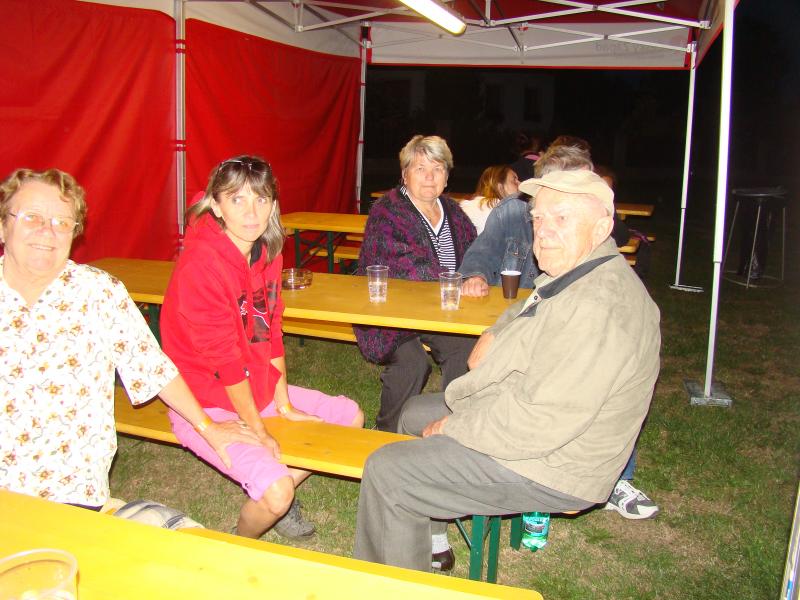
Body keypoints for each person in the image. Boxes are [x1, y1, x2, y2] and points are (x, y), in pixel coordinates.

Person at [353, 169, 661, 572]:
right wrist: (495, 332)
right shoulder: (580, 271)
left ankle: (396, 586)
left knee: (388, 470)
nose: (543, 231)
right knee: (413, 414)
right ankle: (428, 538)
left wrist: (457, 427)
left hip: (556, 463)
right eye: (538, 218)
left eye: (562, 218)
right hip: (529, 410)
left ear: (602, 227)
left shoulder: (599, 306)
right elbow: (523, 307)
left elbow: (542, 422)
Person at [0, 168, 258, 511]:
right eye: (32, 217)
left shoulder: (98, 293)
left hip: (73, 491)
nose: (48, 231)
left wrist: (209, 428)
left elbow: (153, 369)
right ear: (3, 225)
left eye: (62, 222)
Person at [160, 156, 364, 539]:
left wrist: (283, 404)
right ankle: (241, 543)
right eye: (237, 200)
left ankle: (275, 487)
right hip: (203, 401)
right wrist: (258, 429)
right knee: (277, 493)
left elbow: (269, 330)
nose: (251, 213)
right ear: (216, 205)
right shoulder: (201, 265)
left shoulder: (267, 251)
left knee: (349, 417)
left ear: (273, 204)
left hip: (253, 385)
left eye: (261, 199)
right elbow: (226, 362)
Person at [354, 135, 477, 433]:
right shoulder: (387, 210)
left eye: (438, 169)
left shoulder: (453, 211)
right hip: (389, 308)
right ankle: (386, 432)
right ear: (405, 174)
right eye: (421, 168)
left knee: (466, 350)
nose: (429, 177)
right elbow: (407, 265)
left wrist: (477, 274)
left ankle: (452, 427)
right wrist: (458, 282)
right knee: (412, 364)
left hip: (441, 308)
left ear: (447, 177)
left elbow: (475, 249)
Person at [460, 143, 593, 298]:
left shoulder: (592, 220)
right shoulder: (513, 210)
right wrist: (476, 278)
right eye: (578, 185)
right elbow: (483, 253)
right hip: (510, 307)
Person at [459, 165, 520, 235]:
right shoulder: (502, 209)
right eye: (514, 181)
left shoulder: (468, 205)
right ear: (500, 187)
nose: (520, 184)